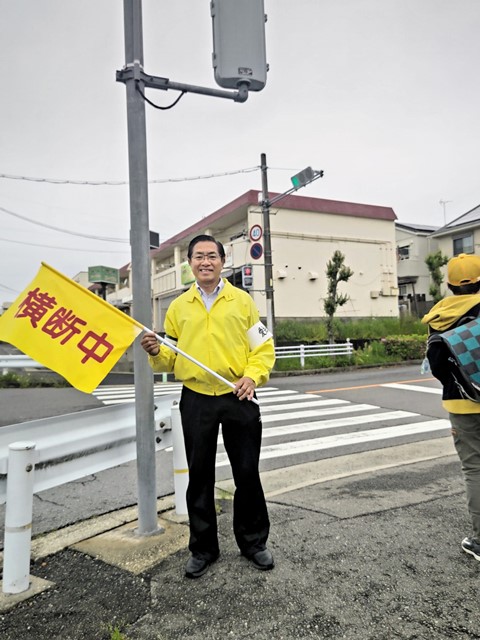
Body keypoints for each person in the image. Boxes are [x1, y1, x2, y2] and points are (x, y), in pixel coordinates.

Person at [141, 234, 276, 578]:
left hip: (238, 395)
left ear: (222, 261)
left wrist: (252, 377)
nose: (205, 262)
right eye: (198, 256)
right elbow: (171, 356)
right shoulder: (178, 307)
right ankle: (203, 549)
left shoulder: (242, 302)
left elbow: (263, 348)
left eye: (211, 256)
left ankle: (254, 543)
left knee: (247, 472)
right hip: (196, 398)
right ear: (189, 263)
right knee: (199, 476)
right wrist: (157, 352)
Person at [422, 253, 480, 561]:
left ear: (449, 284)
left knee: (474, 468)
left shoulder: (438, 316)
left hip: (461, 401)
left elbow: (437, 365)